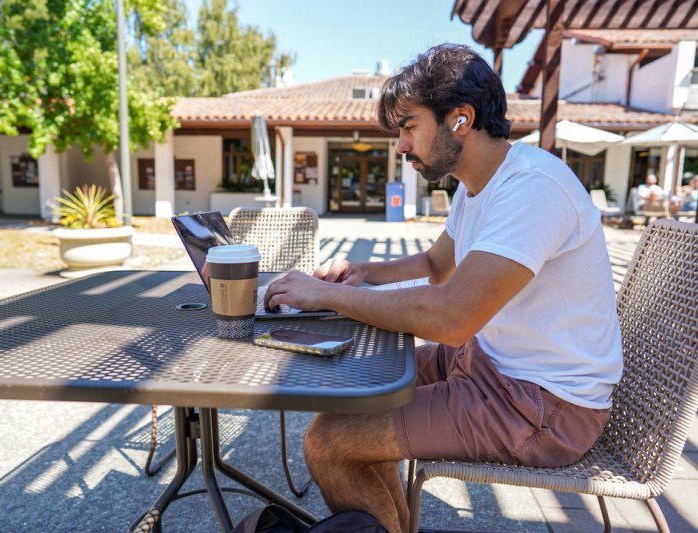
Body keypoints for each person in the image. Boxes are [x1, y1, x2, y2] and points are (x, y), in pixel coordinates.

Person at [264, 44, 623, 533]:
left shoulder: (534, 188)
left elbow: (453, 317)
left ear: (460, 119)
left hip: (541, 404)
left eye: (409, 127)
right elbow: (436, 264)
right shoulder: (476, 186)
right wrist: (361, 272)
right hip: (494, 366)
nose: (401, 147)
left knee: (329, 442)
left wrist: (325, 295)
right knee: (353, 393)